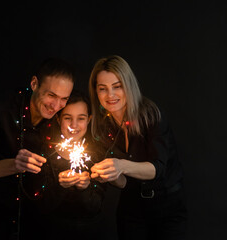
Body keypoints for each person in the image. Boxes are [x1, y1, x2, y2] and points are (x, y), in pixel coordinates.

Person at [0, 57, 74, 240]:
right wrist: (15, 165)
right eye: (51, 95)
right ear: (34, 83)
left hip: (35, 225)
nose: (56, 106)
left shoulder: (61, 121)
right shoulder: (1, 108)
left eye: (64, 99)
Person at [89, 55, 187, 240]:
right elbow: (123, 183)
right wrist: (109, 175)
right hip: (131, 208)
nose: (110, 95)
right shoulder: (102, 126)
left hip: (167, 207)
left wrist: (121, 165)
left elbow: (157, 169)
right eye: (103, 89)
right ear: (96, 92)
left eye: (117, 86)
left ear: (128, 85)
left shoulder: (151, 115)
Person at [20, 91, 112, 240]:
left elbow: (96, 206)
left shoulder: (97, 156)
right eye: (67, 118)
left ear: (89, 120)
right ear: (58, 119)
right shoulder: (44, 153)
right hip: (51, 231)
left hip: (90, 231)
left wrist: (85, 188)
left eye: (81, 118)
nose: (74, 125)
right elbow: (40, 206)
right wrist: (59, 186)